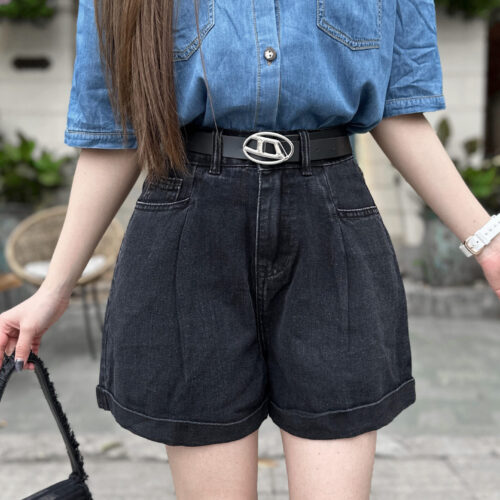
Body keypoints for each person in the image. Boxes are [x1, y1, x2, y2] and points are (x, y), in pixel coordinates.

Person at [1, 0, 499, 498]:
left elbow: (399, 111)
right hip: (190, 230)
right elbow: (116, 136)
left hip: (331, 225)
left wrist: (487, 242)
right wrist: (53, 290)